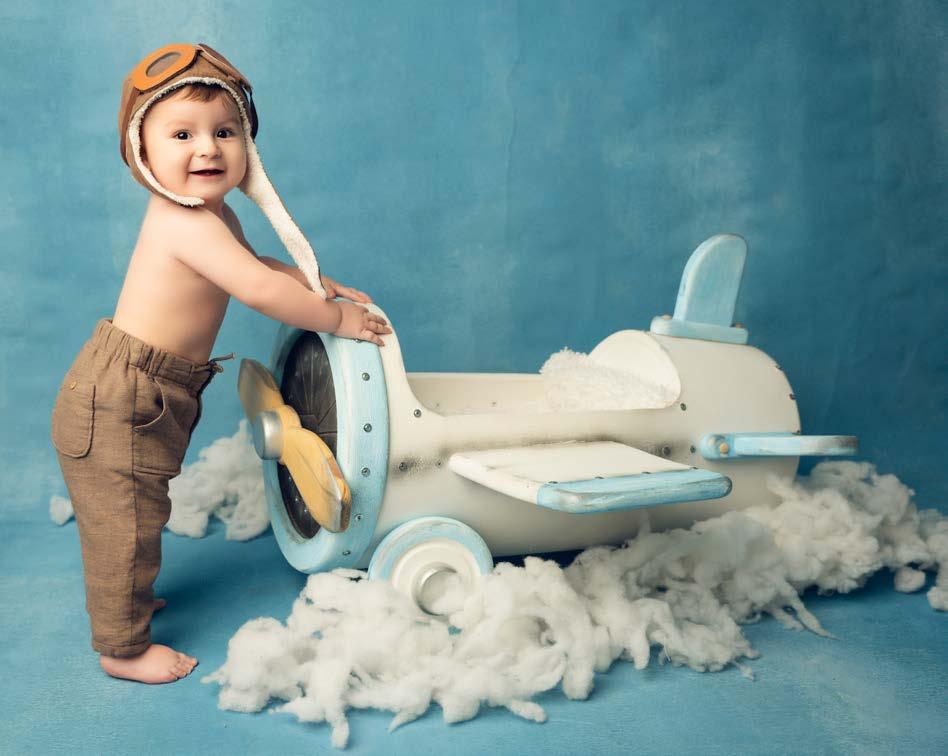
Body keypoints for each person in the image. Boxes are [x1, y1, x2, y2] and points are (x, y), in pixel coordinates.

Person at [49, 43, 392, 685]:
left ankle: (126, 597)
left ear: (247, 146)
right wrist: (338, 321)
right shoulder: (182, 223)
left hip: (146, 390)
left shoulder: (215, 214)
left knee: (140, 512)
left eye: (225, 132)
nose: (207, 148)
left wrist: (314, 282)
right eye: (182, 134)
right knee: (125, 524)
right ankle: (122, 648)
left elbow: (258, 266)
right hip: (120, 395)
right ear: (142, 153)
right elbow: (256, 290)